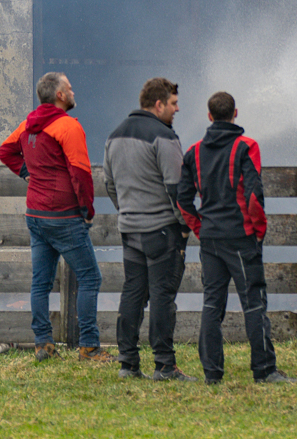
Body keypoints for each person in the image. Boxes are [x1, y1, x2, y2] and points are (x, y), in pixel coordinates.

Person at [178, 90, 297, 386]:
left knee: (212, 304)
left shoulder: (193, 152)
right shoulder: (247, 146)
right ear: (236, 113)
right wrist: (259, 231)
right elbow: (254, 196)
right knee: (253, 302)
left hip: (210, 239)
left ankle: (212, 374)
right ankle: (264, 370)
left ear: (209, 116)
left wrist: (200, 229)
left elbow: (182, 200)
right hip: (241, 237)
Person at [0, 70, 106, 362]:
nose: (73, 92)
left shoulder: (27, 125)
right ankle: (89, 347)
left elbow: (5, 151)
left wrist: (26, 173)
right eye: (69, 88)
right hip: (64, 217)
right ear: (59, 95)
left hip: (35, 214)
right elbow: (81, 174)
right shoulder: (68, 127)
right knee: (90, 277)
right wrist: (87, 211)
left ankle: (43, 344)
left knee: (41, 283)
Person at [102, 76, 189, 381]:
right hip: (162, 231)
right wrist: (185, 226)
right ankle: (164, 365)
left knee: (133, 293)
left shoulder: (114, 135)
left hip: (130, 230)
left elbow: (109, 184)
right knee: (162, 296)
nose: (177, 109)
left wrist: (126, 210)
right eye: (174, 104)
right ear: (159, 104)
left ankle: (127, 363)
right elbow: (177, 188)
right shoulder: (164, 137)